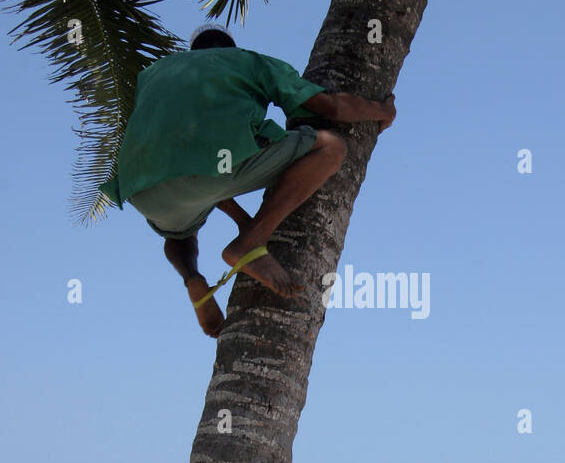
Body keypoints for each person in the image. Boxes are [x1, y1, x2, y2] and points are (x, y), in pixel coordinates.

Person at [100, 24, 396, 337]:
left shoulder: (154, 75)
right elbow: (333, 106)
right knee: (331, 147)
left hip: (145, 192)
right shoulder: (247, 61)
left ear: (193, 52)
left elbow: (193, 165)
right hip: (217, 168)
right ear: (229, 47)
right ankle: (252, 240)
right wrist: (383, 110)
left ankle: (191, 278)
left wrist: (241, 217)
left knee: (179, 233)